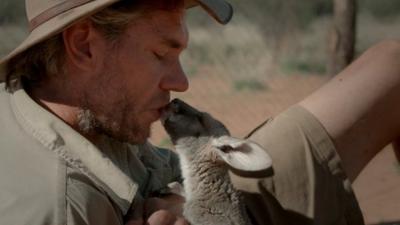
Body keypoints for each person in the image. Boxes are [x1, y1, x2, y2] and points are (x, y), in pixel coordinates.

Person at [0, 0, 400, 225]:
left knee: (392, 68)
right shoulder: (57, 207)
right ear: (84, 45)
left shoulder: (67, 106)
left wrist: (181, 205)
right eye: (161, 53)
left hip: (204, 199)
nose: (181, 82)